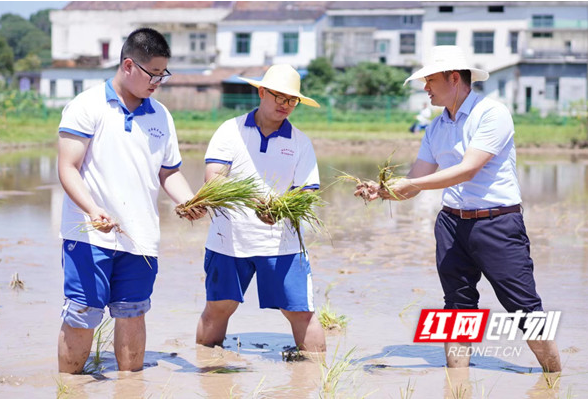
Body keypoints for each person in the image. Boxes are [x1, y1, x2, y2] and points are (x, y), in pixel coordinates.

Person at [356, 45, 562, 372]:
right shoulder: (436, 128)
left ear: (454, 78)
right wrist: (382, 191)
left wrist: (409, 186)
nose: (425, 88)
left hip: (496, 224)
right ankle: (457, 386)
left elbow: (468, 169)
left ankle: (555, 379)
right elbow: (415, 181)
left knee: (525, 309)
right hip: (451, 225)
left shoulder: (492, 114)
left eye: (430, 81)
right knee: (456, 309)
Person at [57, 27, 202, 374]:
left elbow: (169, 172)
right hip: (90, 235)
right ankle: (68, 389)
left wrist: (189, 200)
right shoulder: (87, 106)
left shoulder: (161, 116)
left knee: (133, 312)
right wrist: (92, 210)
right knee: (82, 314)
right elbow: (68, 168)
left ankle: (130, 388)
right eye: (153, 74)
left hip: (140, 238)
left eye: (163, 74)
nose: (158, 82)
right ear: (128, 65)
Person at [194, 64, 326, 354]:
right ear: (262, 92)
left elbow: (307, 193)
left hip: (283, 243)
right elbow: (214, 178)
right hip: (228, 239)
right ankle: (206, 371)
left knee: (301, 311)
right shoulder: (231, 130)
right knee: (218, 308)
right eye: (279, 97)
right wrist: (254, 201)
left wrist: (280, 211)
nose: (285, 105)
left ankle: (317, 379)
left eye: (292, 100)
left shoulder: (300, 143)